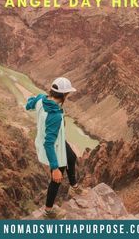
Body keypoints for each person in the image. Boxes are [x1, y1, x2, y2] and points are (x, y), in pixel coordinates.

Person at [26, 77, 87, 219]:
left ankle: (74, 187)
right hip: (53, 146)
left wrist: (30, 101)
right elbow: (49, 143)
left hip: (56, 140)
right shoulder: (54, 115)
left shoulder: (42, 99)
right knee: (57, 179)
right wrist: (54, 168)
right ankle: (48, 210)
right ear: (65, 95)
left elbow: (29, 105)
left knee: (71, 157)